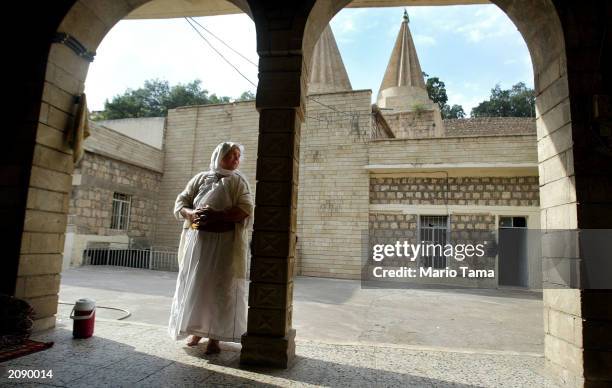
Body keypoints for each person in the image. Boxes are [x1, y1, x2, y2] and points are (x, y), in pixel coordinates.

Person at [167, 141, 253, 355]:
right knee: (197, 287)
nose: (234, 160)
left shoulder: (239, 181)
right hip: (199, 244)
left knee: (220, 289)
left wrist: (219, 215)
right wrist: (191, 214)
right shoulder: (199, 179)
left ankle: (215, 338)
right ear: (218, 156)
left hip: (225, 245)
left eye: (237, 156)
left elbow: (245, 208)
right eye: (230, 155)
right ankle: (196, 331)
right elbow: (181, 203)